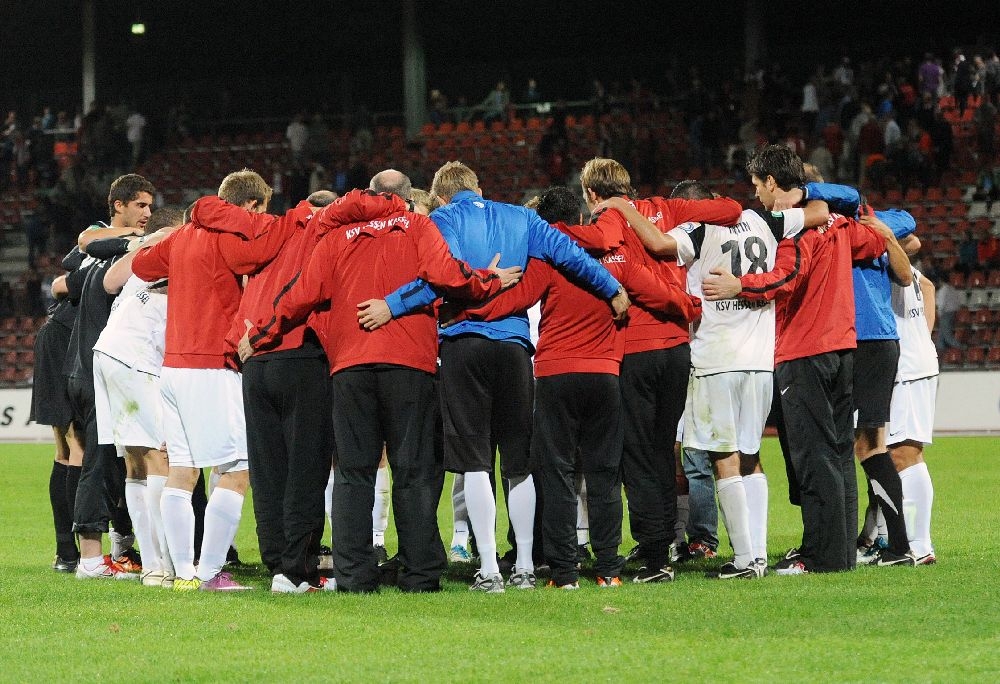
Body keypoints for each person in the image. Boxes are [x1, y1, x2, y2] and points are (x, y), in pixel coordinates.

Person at [239, 178, 523, 594]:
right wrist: (490, 279)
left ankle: (354, 576)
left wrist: (260, 335)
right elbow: (447, 274)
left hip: (350, 366)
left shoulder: (336, 238)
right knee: (413, 470)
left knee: (354, 473)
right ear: (404, 200)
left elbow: (299, 295)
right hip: (409, 363)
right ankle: (420, 574)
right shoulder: (418, 226)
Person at [368, 162, 628, 593]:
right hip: (514, 348)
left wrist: (391, 305)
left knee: (475, 462)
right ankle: (524, 566)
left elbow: (438, 279)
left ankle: (489, 569)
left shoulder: (442, 219)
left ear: (441, 196)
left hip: (463, 345)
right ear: (478, 188)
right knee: (518, 461)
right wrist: (611, 288)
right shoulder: (522, 217)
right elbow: (570, 255)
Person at [449, 186, 700, 589]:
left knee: (558, 475)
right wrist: (694, 307)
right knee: (605, 475)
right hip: (605, 377)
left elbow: (515, 299)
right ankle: (609, 569)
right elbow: (663, 296)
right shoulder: (617, 258)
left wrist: (466, 314)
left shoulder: (547, 260)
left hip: (556, 377)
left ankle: (565, 572)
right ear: (583, 219)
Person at [603, 179, 829, 578]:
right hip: (759, 359)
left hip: (716, 356)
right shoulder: (762, 220)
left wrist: (622, 207)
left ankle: (744, 560)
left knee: (723, 459)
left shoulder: (697, 229)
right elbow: (820, 212)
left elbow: (658, 242)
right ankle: (757, 555)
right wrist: (797, 201)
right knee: (750, 456)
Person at [701, 144, 890, 575]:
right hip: (843, 348)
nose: (757, 195)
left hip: (805, 351)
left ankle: (821, 557)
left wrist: (740, 285)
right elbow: (876, 238)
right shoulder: (838, 222)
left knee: (813, 455)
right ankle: (841, 556)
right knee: (839, 453)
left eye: (758, 186)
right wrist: (839, 204)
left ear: (772, 182)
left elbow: (785, 277)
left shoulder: (796, 230)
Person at [558, 158, 743, 582]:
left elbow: (614, 256)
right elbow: (732, 208)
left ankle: (655, 555)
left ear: (591, 193)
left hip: (635, 349)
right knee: (661, 450)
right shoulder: (667, 208)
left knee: (638, 454)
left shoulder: (608, 216)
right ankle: (664, 541)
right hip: (677, 348)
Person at [188, 188, 338, 593]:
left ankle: (276, 563)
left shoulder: (270, 227)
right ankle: (297, 571)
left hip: (253, 362)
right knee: (306, 470)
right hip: (300, 352)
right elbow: (312, 291)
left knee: (268, 472)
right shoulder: (328, 231)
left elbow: (204, 207)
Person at [131, 170, 275, 592]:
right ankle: (211, 572)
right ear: (250, 206)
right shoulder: (226, 239)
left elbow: (141, 265)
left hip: (174, 366)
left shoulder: (182, 236)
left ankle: (183, 574)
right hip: (211, 365)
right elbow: (264, 249)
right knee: (237, 469)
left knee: (182, 470)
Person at [68, 174, 155, 581]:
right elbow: (86, 240)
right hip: (97, 373)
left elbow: (72, 268)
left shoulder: (102, 257)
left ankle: (118, 546)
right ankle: (89, 559)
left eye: (151, 207)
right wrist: (144, 240)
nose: (147, 213)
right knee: (98, 465)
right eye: (141, 205)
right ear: (119, 206)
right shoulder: (118, 255)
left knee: (113, 465)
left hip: (84, 369)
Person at [91, 208, 182, 587]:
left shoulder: (143, 258)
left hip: (109, 353)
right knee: (159, 456)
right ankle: (168, 565)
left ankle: (152, 566)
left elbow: (109, 282)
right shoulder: (168, 245)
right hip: (134, 357)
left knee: (135, 462)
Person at [31, 248, 87, 572]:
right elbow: (64, 274)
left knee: (66, 451)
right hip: (64, 340)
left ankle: (67, 552)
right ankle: (82, 551)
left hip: (59, 335)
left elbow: (64, 272)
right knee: (75, 446)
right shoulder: (107, 241)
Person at [886, 260, 938, 565]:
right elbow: (928, 286)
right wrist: (923, 336)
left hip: (907, 368)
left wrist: (919, 339)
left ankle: (919, 544)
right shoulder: (900, 261)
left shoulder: (889, 262)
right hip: (913, 363)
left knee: (903, 454)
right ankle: (889, 537)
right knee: (890, 453)